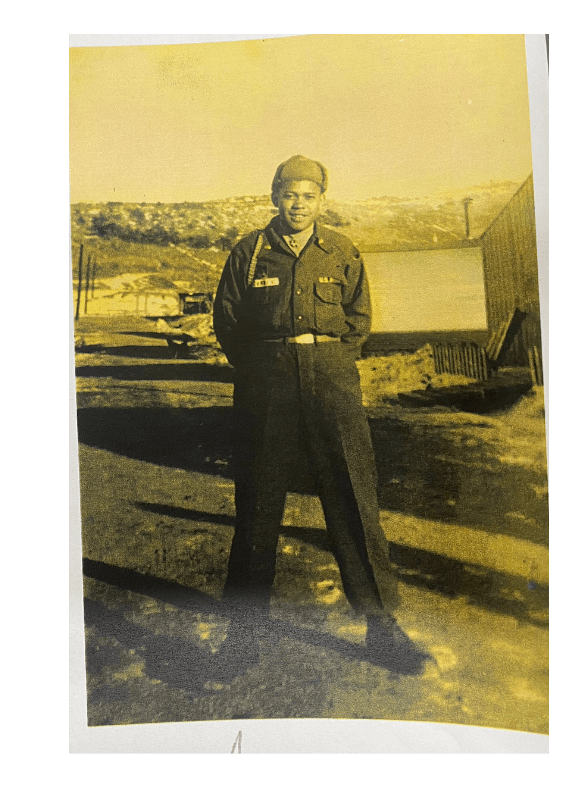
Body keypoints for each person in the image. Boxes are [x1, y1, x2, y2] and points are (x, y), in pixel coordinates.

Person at [213, 155, 427, 672]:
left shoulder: (342, 251)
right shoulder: (250, 252)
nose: (298, 204)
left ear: (322, 201)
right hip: (268, 383)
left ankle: (382, 627)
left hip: (331, 382)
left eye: (309, 196)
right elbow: (228, 320)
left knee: (353, 496)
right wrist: (266, 365)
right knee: (259, 502)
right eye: (290, 195)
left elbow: (359, 318)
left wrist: (328, 359)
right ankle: (243, 635)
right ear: (274, 197)